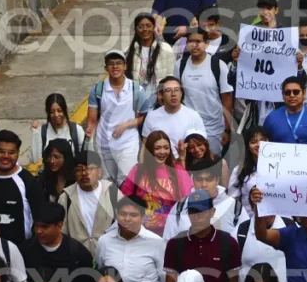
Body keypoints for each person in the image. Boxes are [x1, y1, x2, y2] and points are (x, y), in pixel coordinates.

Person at [163, 189, 241, 282]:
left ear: (212, 212)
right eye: (193, 212)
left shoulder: (228, 243)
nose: (197, 216)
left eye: (201, 211)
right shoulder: (175, 244)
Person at [86, 50, 151, 184]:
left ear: (125, 66)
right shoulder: (97, 90)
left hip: (128, 144)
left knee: (127, 183)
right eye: (111, 64)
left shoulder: (136, 90)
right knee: (106, 183)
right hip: (103, 145)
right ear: (106, 68)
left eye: (119, 63)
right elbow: (92, 121)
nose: (115, 67)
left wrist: (126, 125)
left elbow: (144, 117)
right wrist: (88, 139)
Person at [95, 196, 166, 282]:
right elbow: (100, 273)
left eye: (133, 215)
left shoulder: (157, 242)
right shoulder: (104, 241)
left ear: (142, 217)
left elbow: (165, 280)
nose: (127, 219)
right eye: (123, 214)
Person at [20, 202, 95, 282]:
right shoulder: (25, 250)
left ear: (59, 225)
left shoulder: (79, 254)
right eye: (36, 226)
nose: (39, 231)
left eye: (44, 227)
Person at [120, 131, 194, 236]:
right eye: (157, 148)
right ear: (150, 150)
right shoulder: (138, 170)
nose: (162, 151)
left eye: (166, 147)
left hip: (169, 233)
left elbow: (186, 202)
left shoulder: (178, 171)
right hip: (141, 233)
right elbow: (125, 199)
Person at [174, 27, 233, 157]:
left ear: (206, 44)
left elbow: (227, 99)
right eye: (190, 41)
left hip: (214, 129)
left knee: (212, 166)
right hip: (188, 126)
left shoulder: (218, 65)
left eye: (198, 41)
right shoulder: (180, 65)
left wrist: (227, 130)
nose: (194, 45)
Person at [165, 158, 244, 239]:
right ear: (193, 180)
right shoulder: (180, 207)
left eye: (209, 179)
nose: (204, 184)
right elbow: (168, 240)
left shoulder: (234, 207)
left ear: (217, 180)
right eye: (199, 179)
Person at [58, 151, 117, 255]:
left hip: (109, 255)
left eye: (89, 169)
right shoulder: (66, 198)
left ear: (99, 171)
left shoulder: (113, 193)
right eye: (79, 170)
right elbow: (62, 232)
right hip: (77, 257)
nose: (84, 173)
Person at [142, 76, 208, 156]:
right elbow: (145, 146)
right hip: (160, 163)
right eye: (168, 91)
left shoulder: (193, 116)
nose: (173, 94)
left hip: (187, 164)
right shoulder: (151, 116)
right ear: (161, 94)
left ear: (181, 93)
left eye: (177, 90)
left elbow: (203, 146)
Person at [125, 13, 177, 96]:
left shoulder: (166, 49)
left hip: (159, 99)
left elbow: (171, 75)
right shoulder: (128, 51)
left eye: (148, 26)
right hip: (136, 99)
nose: (145, 29)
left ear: (154, 27)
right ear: (135, 29)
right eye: (140, 26)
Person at [28, 93, 86, 166]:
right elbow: (35, 160)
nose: (56, 115)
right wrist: (35, 134)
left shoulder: (77, 130)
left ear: (64, 110)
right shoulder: (42, 132)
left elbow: (85, 157)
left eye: (59, 111)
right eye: (52, 112)